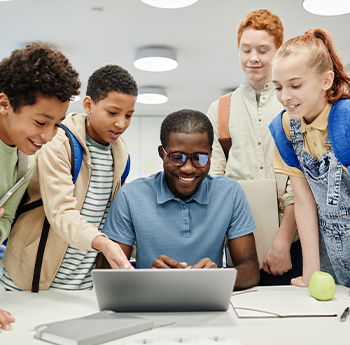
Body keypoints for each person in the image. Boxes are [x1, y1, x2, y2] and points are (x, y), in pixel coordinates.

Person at [1, 64, 137, 292]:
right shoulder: (57, 143)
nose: (121, 123)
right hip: (31, 280)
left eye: (129, 115)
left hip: (83, 284)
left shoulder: (121, 155)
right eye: (112, 113)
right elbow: (61, 212)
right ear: (88, 105)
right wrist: (105, 244)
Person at [102, 109, 260, 290]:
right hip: (151, 298)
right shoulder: (130, 196)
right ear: (162, 153)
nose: (188, 169)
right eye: (177, 158)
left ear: (210, 155)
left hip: (208, 298)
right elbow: (110, 274)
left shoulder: (230, 193)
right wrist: (147, 278)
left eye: (199, 158)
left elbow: (251, 270)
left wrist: (217, 277)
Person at [206, 9, 301, 285]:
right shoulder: (220, 109)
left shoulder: (292, 106)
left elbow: (300, 180)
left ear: (278, 51)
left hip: (292, 241)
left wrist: (282, 243)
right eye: (246, 49)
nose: (253, 58)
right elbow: (215, 179)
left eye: (263, 49)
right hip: (236, 240)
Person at [0, 42, 80, 331]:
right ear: (4, 104)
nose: (49, 136)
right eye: (40, 122)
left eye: (57, 124)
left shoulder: (26, 163)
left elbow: (6, 219)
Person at [269, 28, 350, 288]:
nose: (285, 96)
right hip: (331, 254)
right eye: (279, 87)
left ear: (326, 80)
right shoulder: (284, 128)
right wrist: (312, 274)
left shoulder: (346, 120)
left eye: (295, 85)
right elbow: (304, 203)